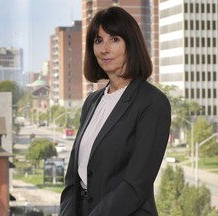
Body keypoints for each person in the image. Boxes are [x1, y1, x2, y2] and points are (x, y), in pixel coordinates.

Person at [60, 6, 171, 216]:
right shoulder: (92, 102)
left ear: (132, 45)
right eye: (98, 40)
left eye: (114, 39)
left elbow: (135, 185)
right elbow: (73, 179)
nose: (104, 49)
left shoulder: (153, 102)